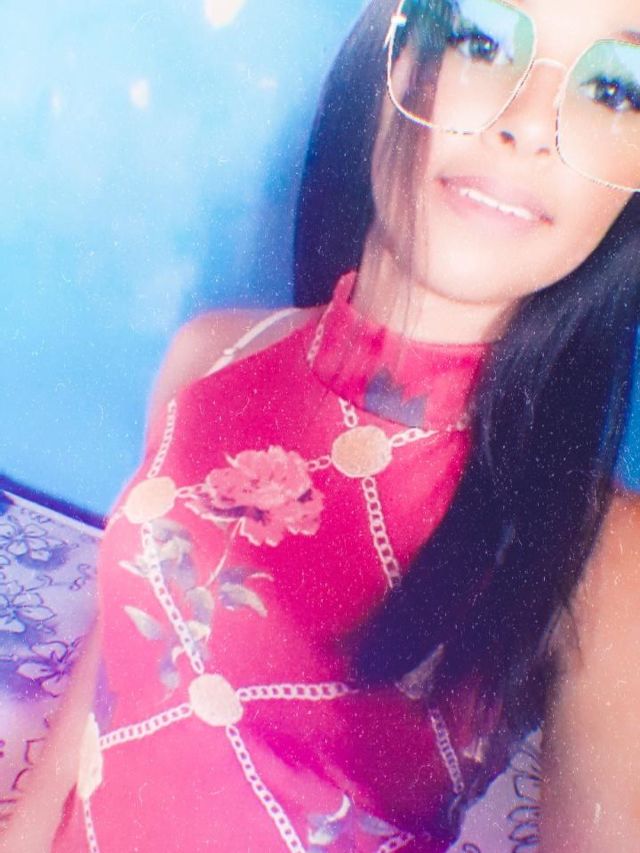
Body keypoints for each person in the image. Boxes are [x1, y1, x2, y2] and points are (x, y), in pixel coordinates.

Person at [4, 0, 640, 849]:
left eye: (615, 88)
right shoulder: (212, 355)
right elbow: (102, 698)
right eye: (482, 40)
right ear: (391, 53)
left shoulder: (603, 556)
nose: (529, 122)